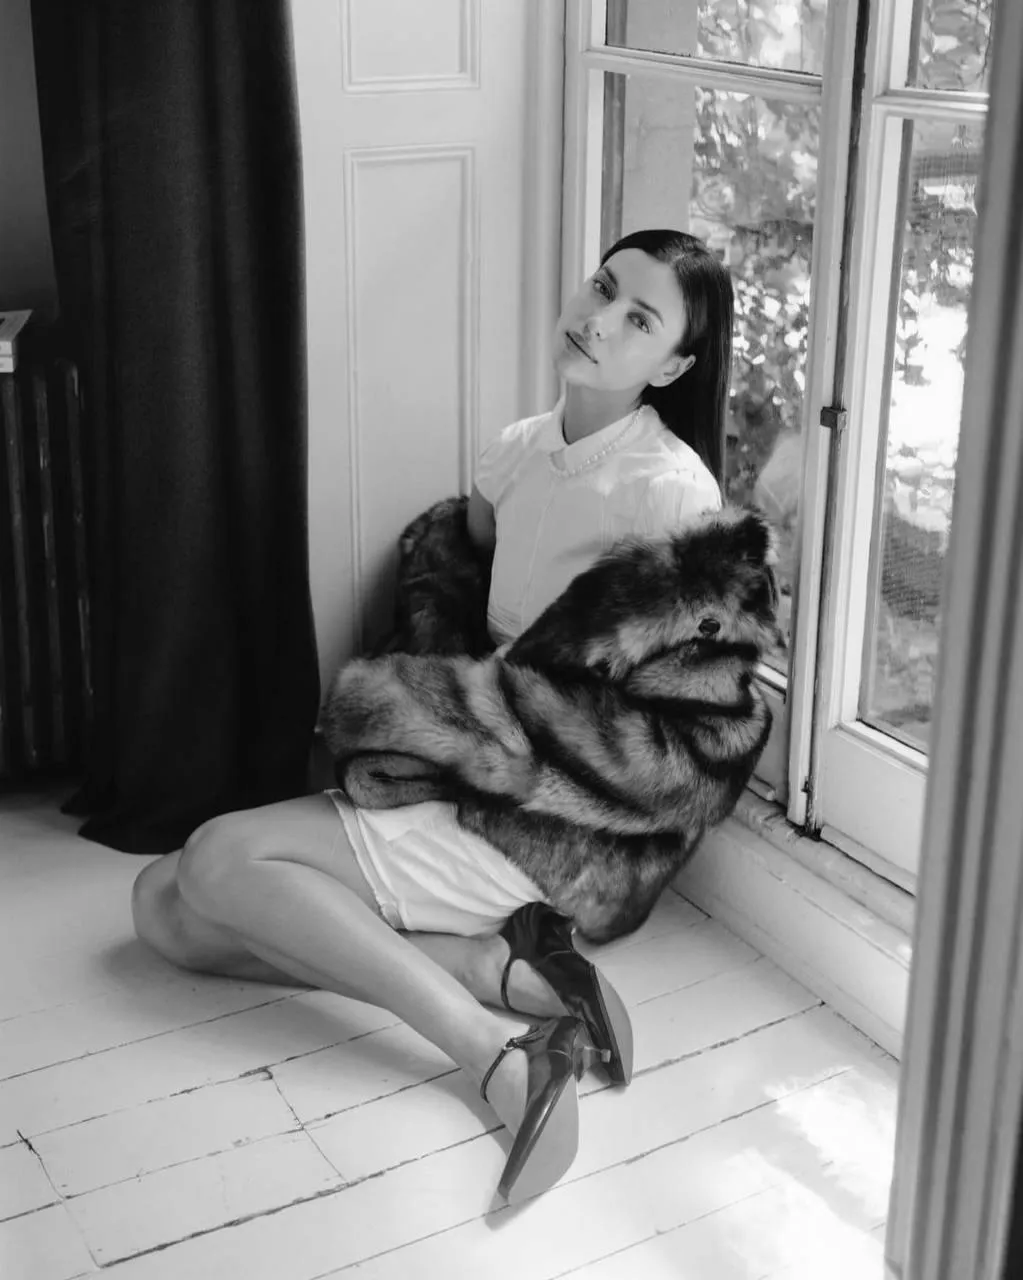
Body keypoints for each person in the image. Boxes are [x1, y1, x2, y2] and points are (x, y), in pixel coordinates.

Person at [132, 228, 734, 1202]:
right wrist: (451, 705)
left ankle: (490, 1051)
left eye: (639, 318)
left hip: (541, 805)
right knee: (163, 916)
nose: (598, 318)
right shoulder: (515, 450)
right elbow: (474, 570)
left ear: (672, 364)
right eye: (602, 286)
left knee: (209, 864)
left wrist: (494, 729)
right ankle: (490, 968)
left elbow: (665, 717)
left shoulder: (671, 490)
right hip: (467, 743)